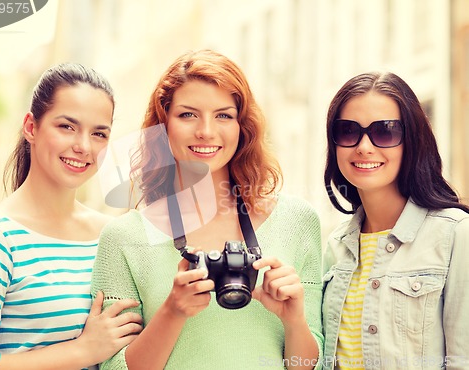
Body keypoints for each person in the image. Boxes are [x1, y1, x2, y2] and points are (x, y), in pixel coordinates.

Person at [91, 49, 324, 369]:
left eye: (224, 115)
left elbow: (309, 365)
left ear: (243, 126)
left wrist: (294, 320)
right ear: (163, 124)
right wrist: (173, 311)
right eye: (188, 114)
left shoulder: (296, 221)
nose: (206, 131)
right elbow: (113, 367)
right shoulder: (123, 237)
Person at [0, 63, 142, 370]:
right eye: (67, 126)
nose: (83, 147)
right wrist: (83, 351)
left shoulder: (113, 236)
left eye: (99, 133)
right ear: (31, 127)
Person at [322, 71, 469, 369]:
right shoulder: (336, 247)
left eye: (385, 131)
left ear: (412, 142)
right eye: (349, 131)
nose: (364, 147)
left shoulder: (456, 235)